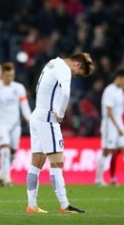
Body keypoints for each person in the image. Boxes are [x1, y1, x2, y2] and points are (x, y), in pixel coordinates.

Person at [26, 52, 94, 214]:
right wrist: (61, 114)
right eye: (78, 74)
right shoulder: (64, 68)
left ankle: (32, 206)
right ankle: (64, 205)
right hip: (48, 118)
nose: (75, 76)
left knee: (37, 162)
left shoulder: (52, 63)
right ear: (78, 65)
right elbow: (65, 92)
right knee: (57, 163)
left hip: (37, 115)